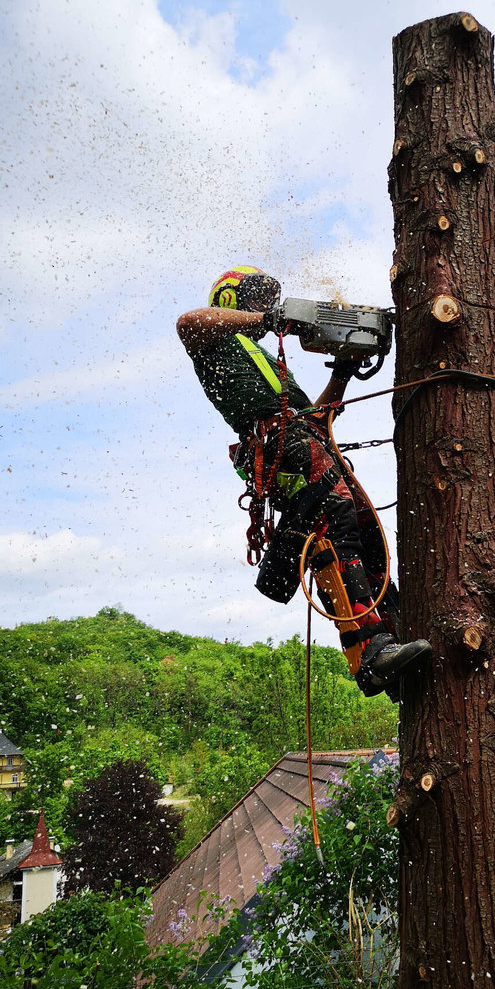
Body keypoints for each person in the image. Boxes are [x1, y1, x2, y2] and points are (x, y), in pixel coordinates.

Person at [177, 265, 430, 697]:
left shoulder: (267, 360)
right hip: (278, 445)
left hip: (305, 439)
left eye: (267, 300)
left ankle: (394, 637)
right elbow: (187, 323)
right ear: (229, 300)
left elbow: (316, 418)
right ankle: (369, 652)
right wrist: (270, 320)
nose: (263, 306)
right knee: (334, 519)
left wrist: (343, 372)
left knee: (365, 530)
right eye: (254, 298)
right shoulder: (213, 345)